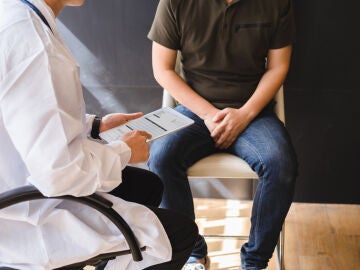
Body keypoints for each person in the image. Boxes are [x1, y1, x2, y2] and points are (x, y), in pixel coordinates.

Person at [0, 0, 198, 269]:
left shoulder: (16, 15)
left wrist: (95, 126)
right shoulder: (33, 42)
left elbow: (28, 116)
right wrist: (123, 151)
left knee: (147, 186)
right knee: (179, 236)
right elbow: (60, 173)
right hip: (24, 219)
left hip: (17, 185)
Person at [147, 0, 298, 269]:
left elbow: (277, 67)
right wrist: (208, 114)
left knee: (281, 163)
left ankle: (254, 262)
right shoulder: (174, 3)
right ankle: (193, 252)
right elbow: (163, 69)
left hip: (252, 111)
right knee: (160, 158)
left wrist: (245, 115)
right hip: (194, 109)